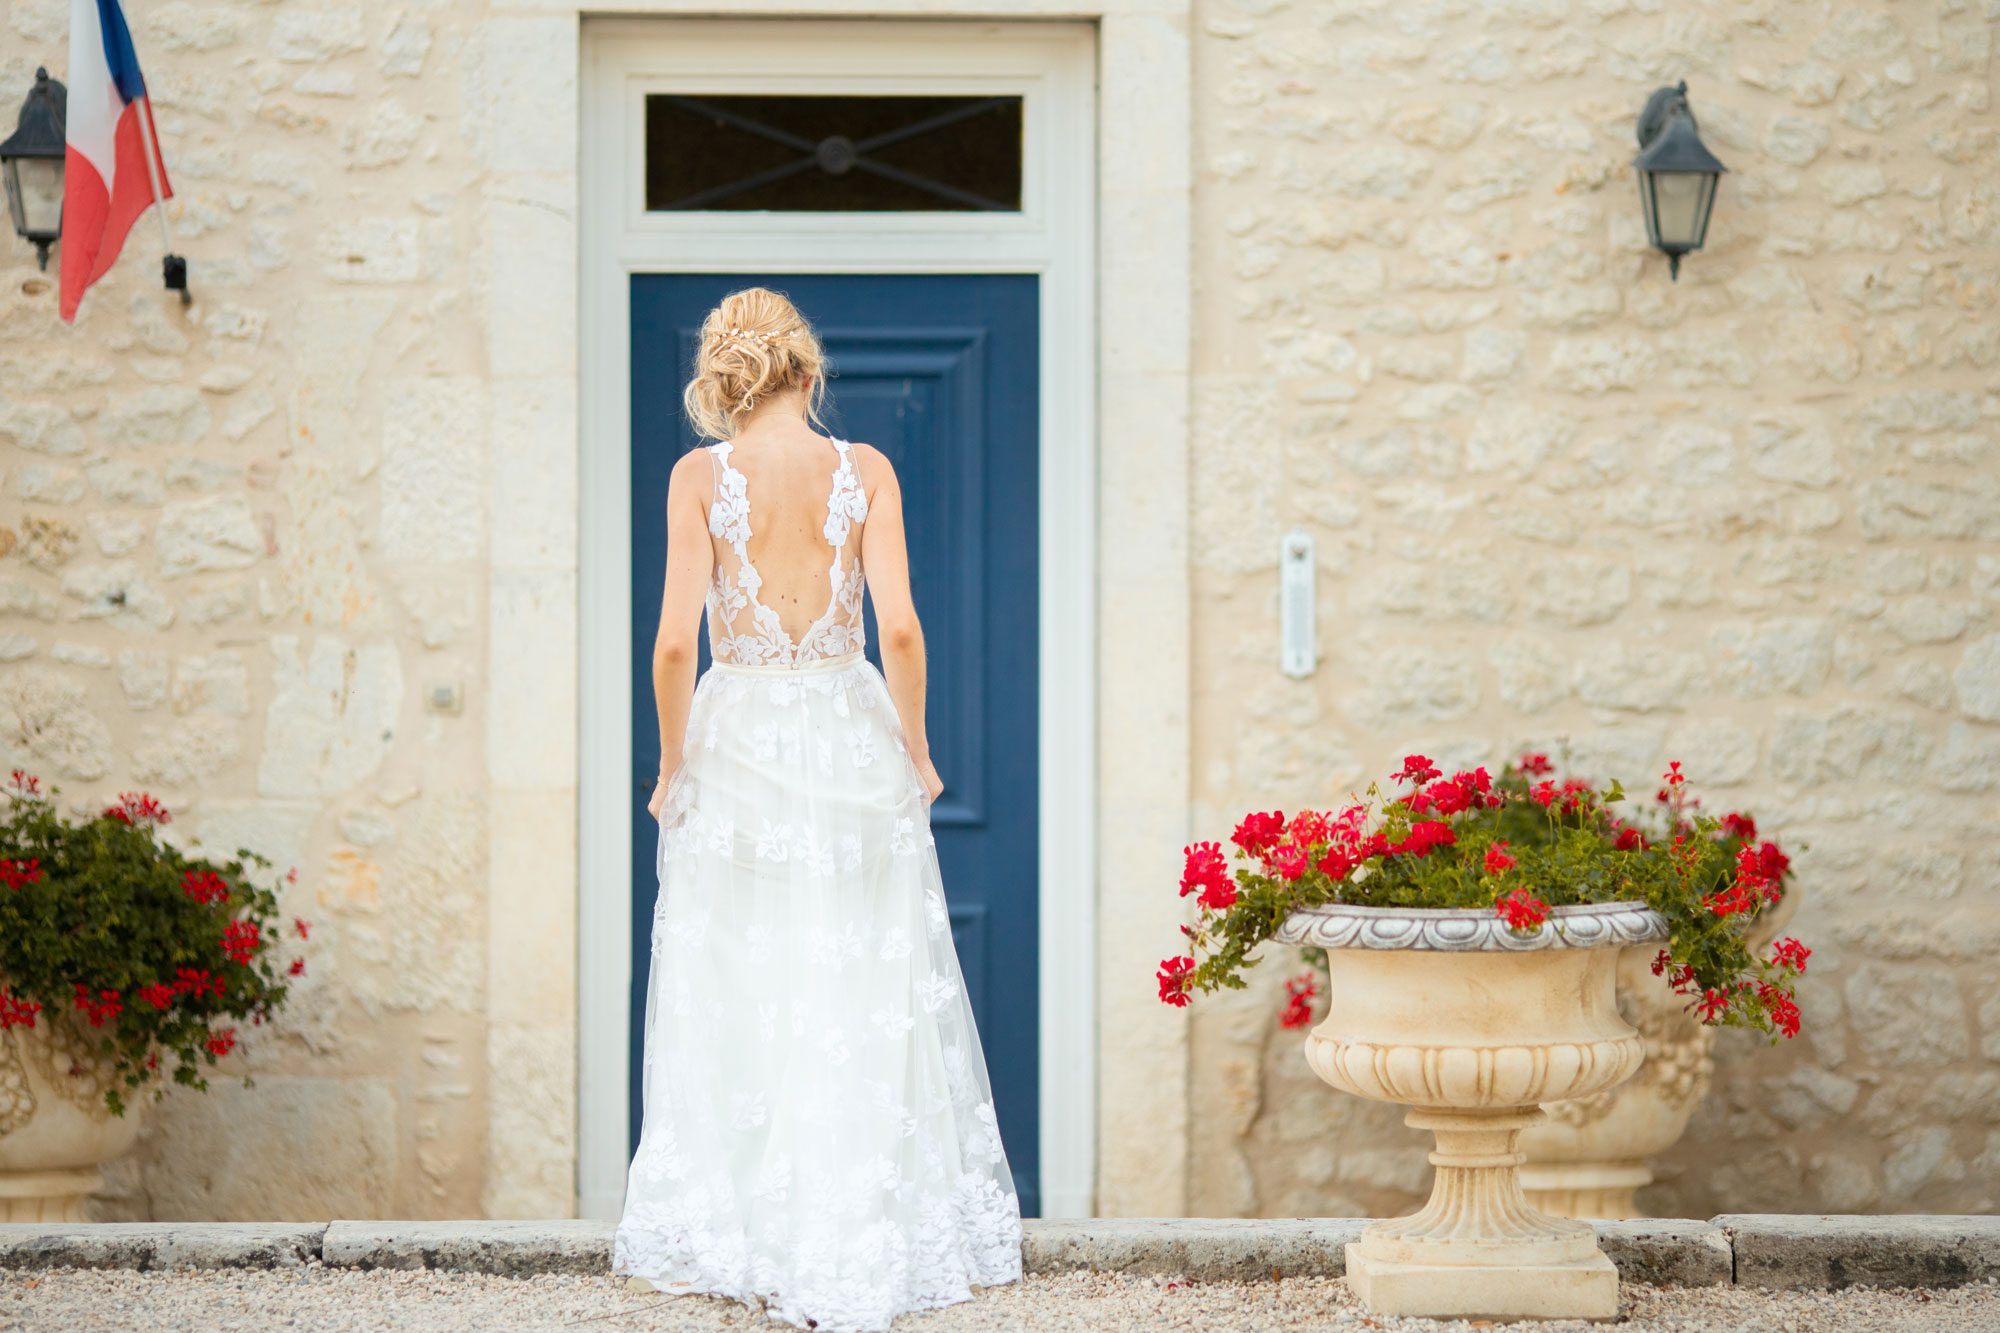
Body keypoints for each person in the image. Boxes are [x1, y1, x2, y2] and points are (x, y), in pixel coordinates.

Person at [612, 287, 1023, 1331]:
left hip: (739, 730)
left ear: (726, 375)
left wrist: (669, 765)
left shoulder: (697, 476)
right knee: (857, 966)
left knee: (740, 969)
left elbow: (671, 644)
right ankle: (863, 1217)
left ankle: (747, 1228)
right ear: (807, 370)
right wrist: (917, 750)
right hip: (847, 726)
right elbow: (906, 633)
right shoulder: (865, 473)